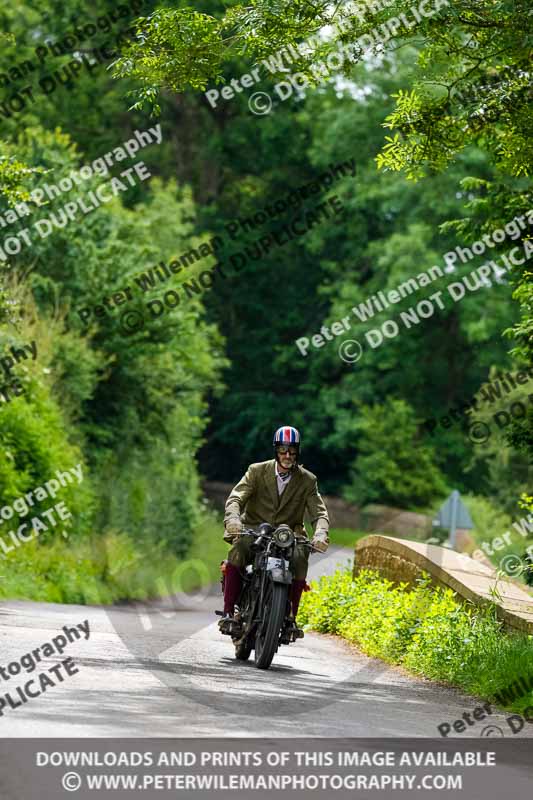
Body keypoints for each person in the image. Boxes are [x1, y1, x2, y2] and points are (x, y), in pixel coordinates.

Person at [219, 425, 329, 633]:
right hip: (254, 529)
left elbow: (319, 513)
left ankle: (290, 618)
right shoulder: (257, 471)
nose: (287, 455)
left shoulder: (308, 480)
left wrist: (321, 533)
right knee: (240, 547)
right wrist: (233, 518)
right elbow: (236, 498)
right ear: (275, 450)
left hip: (288, 535)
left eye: (292, 450)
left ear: (298, 451)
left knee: (299, 556)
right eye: (282, 450)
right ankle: (228, 612)